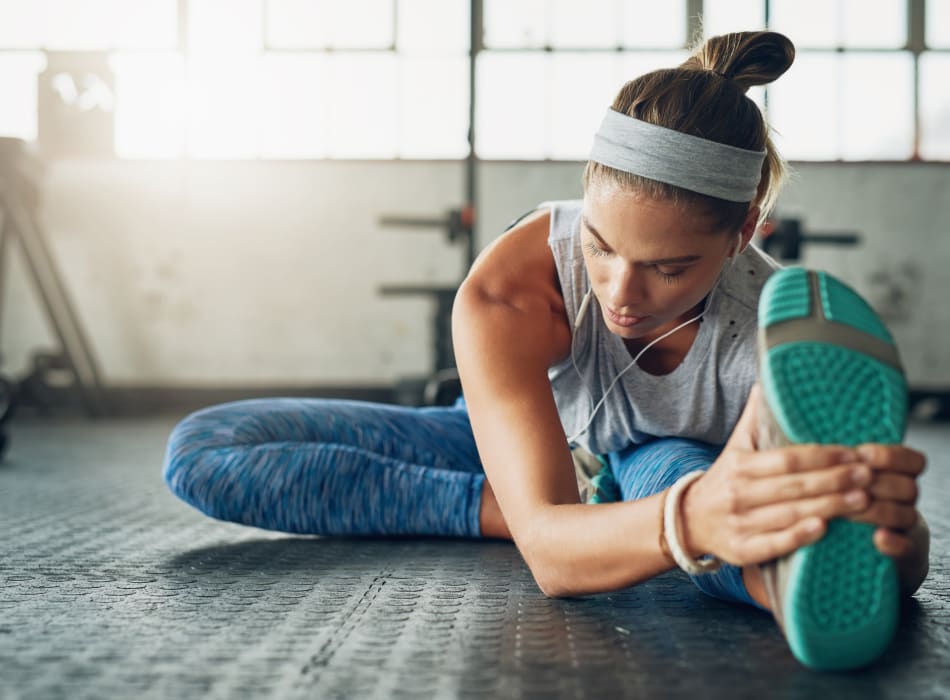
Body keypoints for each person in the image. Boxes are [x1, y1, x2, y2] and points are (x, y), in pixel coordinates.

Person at [162, 31, 930, 670]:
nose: (622, 293)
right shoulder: (511, 286)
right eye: (599, 246)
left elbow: (801, 517)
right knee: (204, 450)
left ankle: (775, 575)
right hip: (510, 445)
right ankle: (543, 512)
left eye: (669, 268)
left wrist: (891, 537)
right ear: (583, 205)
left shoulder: (771, 332)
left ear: (743, 229)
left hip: (665, 466)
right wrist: (557, 521)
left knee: (705, 490)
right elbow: (556, 562)